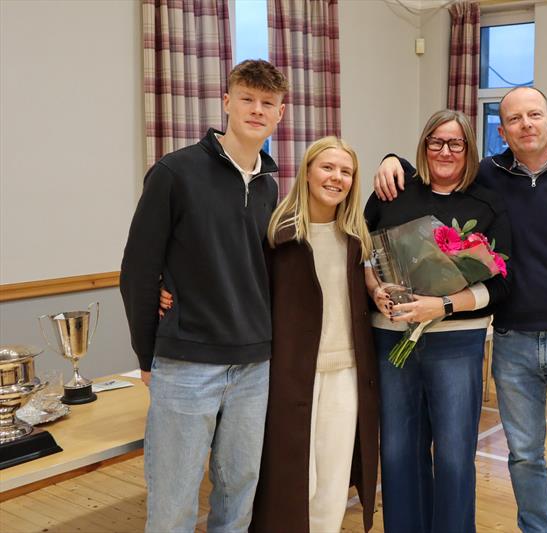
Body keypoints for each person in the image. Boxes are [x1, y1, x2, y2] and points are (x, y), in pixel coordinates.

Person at [374, 87, 547, 533]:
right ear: (502, 131)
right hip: (513, 339)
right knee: (524, 455)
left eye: (534, 115)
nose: (526, 125)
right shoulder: (487, 178)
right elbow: (436, 168)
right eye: (515, 119)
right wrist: (391, 160)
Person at [119, 59, 287, 533]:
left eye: (267, 103)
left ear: (280, 114)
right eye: (248, 99)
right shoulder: (175, 172)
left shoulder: (272, 187)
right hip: (187, 364)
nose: (257, 109)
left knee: (238, 495)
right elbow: (138, 269)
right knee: (174, 503)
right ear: (227, 102)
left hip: (255, 366)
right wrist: (147, 355)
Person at [364, 109, 511, 533]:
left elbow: (503, 284)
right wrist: (375, 289)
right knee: (397, 453)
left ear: (469, 149)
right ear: (423, 145)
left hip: (456, 343)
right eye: (435, 142)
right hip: (392, 339)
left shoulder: (486, 203)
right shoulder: (392, 191)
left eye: (455, 144)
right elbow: (361, 252)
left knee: (451, 456)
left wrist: (443, 305)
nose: (445, 152)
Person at [248, 136, 379, 533]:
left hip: (347, 373)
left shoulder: (357, 238)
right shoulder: (277, 235)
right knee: (291, 483)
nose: (336, 178)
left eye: (346, 171)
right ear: (307, 172)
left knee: (333, 483)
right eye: (328, 168)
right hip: (290, 376)